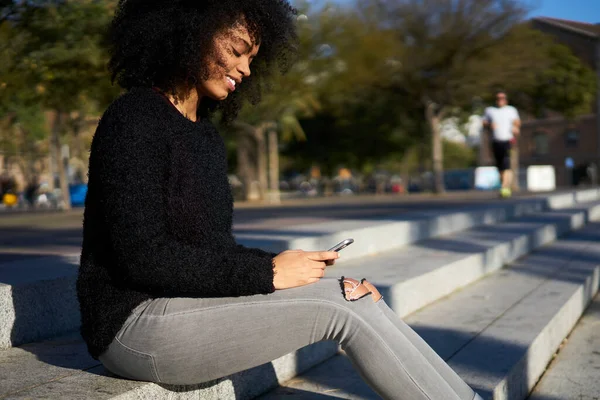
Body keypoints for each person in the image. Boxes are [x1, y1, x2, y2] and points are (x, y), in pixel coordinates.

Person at [77, 1, 483, 399]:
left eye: (252, 57)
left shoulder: (204, 135)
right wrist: (268, 272)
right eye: (236, 51)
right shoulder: (133, 118)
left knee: (354, 295)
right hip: (134, 326)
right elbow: (143, 256)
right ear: (189, 33)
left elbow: (212, 252)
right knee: (343, 306)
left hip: (187, 307)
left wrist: (290, 267)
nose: (246, 69)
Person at [483, 90, 521, 198]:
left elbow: (517, 122)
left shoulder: (511, 110)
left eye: (502, 98)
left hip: (507, 140)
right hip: (495, 141)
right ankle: (504, 185)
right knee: (499, 166)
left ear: (506, 99)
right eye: (498, 98)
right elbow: (484, 123)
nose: (500, 100)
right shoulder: (490, 110)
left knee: (506, 163)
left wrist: (516, 127)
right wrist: (489, 125)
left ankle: (504, 188)